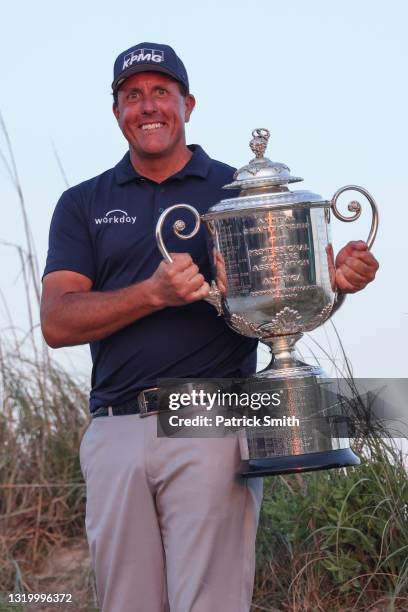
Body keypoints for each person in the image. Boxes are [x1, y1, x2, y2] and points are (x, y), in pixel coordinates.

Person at [40, 42, 379, 612]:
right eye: (132, 95)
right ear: (117, 111)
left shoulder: (238, 193)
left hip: (210, 416)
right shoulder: (82, 203)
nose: (148, 106)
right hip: (115, 427)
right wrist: (152, 293)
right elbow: (56, 322)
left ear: (187, 104)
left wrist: (334, 279)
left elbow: (284, 293)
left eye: (160, 92)